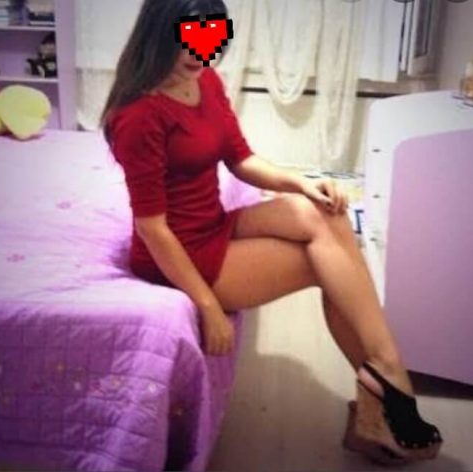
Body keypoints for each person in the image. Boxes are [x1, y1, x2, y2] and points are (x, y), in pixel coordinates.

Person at [100, 0, 443, 464]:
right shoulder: (139, 114)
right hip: (179, 252)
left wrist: (302, 182)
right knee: (327, 266)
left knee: (323, 214)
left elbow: (241, 158)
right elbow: (152, 229)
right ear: (160, 32)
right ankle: (387, 386)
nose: (201, 54)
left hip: (213, 223)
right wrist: (208, 306)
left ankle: (383, 376)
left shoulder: (205, 80)